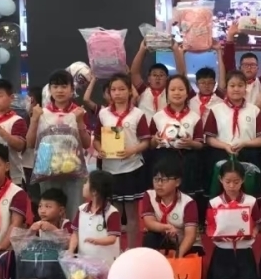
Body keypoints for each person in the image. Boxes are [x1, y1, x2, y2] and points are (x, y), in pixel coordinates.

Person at [94, 73, 151, 248]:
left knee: (132, 214)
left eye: (121, 89)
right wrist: (100, 149)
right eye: (113, 90)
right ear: (109, 92)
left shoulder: (138, 114)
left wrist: (131, 151)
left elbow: (146, 142)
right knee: (114, 213)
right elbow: (96, 139)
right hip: (110, 170)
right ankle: (115, 249)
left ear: (129, 91)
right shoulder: (103, 114)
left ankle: (131, 249)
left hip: (131, 169)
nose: (117, 93)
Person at [27, 69, 90, 219]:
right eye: (55, 86)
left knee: (74, 215)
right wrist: (34, 120)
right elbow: (30, 143)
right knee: (50, 215)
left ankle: (73, 236)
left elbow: (87, 144)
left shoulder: (79, 112)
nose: (59, 90)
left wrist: (80, 121)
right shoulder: (41, 113)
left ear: (72, 89)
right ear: (49, 90)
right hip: (47, 171)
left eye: (64, 86)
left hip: (74, 172)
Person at [206, 160, 260, 279]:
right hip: (223, 253)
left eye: (236, 182)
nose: (231, 186)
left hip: (244, 252)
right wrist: (216, 235)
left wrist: (253, 233)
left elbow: (258, 224)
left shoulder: (251, 201)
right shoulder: (214, 202)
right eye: (228, 181)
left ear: (243, 180)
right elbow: (209, 228)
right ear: (220, 179)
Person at [203, 70, 261, 194]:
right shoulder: (216, 110)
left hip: (249, 156)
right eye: (232, 85)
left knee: (250, 194)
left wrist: (244, 143)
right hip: (222, 155)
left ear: (245, 88)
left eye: (240, 85)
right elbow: (209, 139)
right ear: (226, 88)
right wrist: (225, 146)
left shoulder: (254, 110)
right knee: (222, 194)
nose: (236, 89)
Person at [150, 74, 205, 196]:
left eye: (181, 89)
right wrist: (155, 140)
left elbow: (200, 144)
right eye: (172, 89)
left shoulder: (194, 117)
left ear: (187, 93)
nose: (177, 93)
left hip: (187, 161)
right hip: (163, 159)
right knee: (165, 195)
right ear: (167, 93)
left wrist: (191, 143)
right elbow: (150, 144)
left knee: (187, 196)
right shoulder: (158, 117)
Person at [139, 155, 198, 256]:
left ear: (177, 182)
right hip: (164, 238)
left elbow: (190, 235)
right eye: (156, 179)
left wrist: (178, 255)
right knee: (150, 237)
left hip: (184, 242)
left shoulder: (188, 203)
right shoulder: (149, 195)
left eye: (164, 180)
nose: (159, 184)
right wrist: (167, 227)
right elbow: (149, 222)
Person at [68, 170, 122, 265]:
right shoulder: (81, 210)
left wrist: (96, 241)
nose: (83, 185)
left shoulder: (112, 213)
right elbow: (75, 234)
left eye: (86, 182)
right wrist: (71, 251)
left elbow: (112, 238)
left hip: (106, 264)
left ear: (94, 192)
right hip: (84, 263)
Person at [221, 22, 261, 105]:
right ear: (239, 68)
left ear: (258, 68)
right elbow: (228, 62)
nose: (249, 67)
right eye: (246, 65)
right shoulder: (233, 83)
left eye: (252, 65)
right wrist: (230, 36)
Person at [130, 40, 186, 121]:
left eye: (161, 75)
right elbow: (134, 73)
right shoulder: (143, 90)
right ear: (149, 79)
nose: (158, 77)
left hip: (166, 127)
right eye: (154, 75)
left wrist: (175, 50)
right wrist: (142, 50)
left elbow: (181, 74)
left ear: (167, 78)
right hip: (145, 128)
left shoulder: (171, 92)